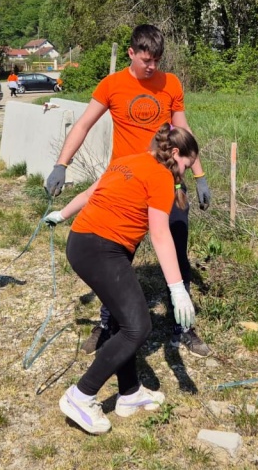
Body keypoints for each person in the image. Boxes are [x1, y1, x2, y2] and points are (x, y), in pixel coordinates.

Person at [44, 24, 212, 357]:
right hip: (124, 185)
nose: (152, 67)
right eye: (146, 59)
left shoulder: (171, 83)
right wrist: (61, 164)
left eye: (157, 60)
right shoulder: (112, 84)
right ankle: (108, 325)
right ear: (132, 53)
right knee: (115, 259)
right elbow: (83, 124)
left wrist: (198, 173)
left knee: (177, 250)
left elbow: (183, 129)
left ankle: (184, 326)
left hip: (168, 181)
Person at [43, 125, 198, 435]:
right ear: (176, 154)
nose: (186, 174)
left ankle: (129, 393)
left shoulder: (127, 160)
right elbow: (160, 233)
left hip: (83, 241)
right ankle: (81, 395)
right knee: (138, 327)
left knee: (123, 320)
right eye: (187, 166)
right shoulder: (161, 177)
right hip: (102, 249)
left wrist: (62, 214)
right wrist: (178, 289)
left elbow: (89, 193)